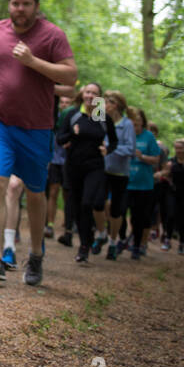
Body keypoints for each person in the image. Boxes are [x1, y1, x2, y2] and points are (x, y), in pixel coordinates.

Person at [0, 0, 77, 285]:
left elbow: (71, 75)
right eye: (15, 4)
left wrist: (32, 61)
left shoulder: (52, 35)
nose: (20, 9)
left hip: (37, 126)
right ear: (9, 4)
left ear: (36, 5)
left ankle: (35, 254)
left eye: (26, 4)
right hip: (0, 120)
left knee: (35, 193)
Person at [57, 82, 115, 264]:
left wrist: (108, 149)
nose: (90, 96)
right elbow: (60, 138)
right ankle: (85, 244)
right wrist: (72, 135)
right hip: (74, 166)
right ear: (83, 94)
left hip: (95, 167)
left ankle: (85, 245)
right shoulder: (73, 114)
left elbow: (114, 141)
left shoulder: (102, 117)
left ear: (99, 97)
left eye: (94, 93)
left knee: (87, 203)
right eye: (88, 92)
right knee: (77, 206)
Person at [99, 90, 135, 260]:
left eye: (109, 102)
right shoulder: (101, 121)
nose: (105, 105)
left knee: (116, 209)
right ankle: (101, 233)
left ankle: (113, 242)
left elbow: (130, 148)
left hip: (120, 172)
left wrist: (110, 148)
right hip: (102, 169)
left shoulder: (127, 124)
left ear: (117, 105)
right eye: (104, 101)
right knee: (99, 202)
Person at [125, 108, 160, 260]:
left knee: (139, 217)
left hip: (144, 184)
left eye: (138, 125)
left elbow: (156, 159)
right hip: (126, 181)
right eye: (133, 124)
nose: (135, 128)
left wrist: (142, 156)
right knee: (120, 212)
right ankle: (122, 238)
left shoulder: (149, 137)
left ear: (143, 124)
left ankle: (136, 246)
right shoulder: (125, 134)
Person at [51, 90, 76, 246]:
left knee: (69, 195)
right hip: (55, 159)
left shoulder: (77, 116)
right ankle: (50, 225)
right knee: (53, 191)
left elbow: (98, 130)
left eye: (68, 102)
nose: (64, 105)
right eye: (62, 102)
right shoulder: (56, 118)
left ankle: (70, 226)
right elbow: (58, 138)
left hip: (72, 161)